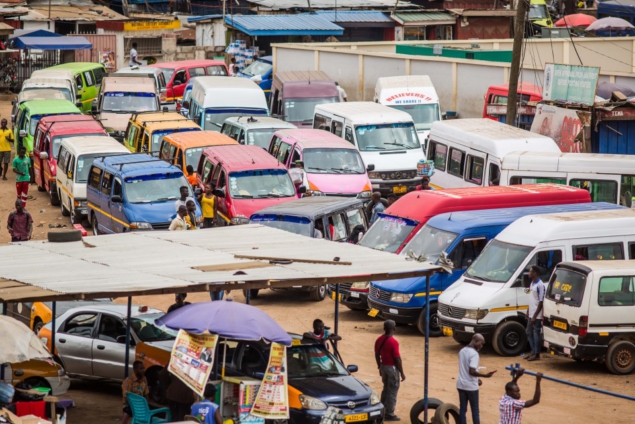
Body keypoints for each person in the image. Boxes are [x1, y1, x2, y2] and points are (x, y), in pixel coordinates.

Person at [457, 334, 496, 424]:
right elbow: (472, 371)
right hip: (471, 387)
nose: (481, 346)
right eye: (481, 344)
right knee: (475, 411)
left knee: (463, 409)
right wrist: (485, 375)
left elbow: (465, 369)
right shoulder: (474, 354)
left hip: (460, 384)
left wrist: (477, 379)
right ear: (476, 341)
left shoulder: (462, 351)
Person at [374, 320, 405, 422]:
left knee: (386, 389)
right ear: (394, 328)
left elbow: (377, 354)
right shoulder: (393, 342)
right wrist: (402, 373)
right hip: (392, 368)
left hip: (383, 366)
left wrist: (379, 366)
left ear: (384, 328)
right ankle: (389, 413)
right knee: (392, 391)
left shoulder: (379, 340)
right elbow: (397, 359)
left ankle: (382, 410)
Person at [526, 265, 546, 362]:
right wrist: (528, 311)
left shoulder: (540, 285)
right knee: (529, 332)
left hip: (536, 315)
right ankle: (533, 351)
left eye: (530, 271)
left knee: (536, 333)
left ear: (535, 273)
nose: (529, 273)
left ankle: (537, 354)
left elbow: (541, 302)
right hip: (531, 313)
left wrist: (534, 316)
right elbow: (531, 299)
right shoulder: (532, 283)